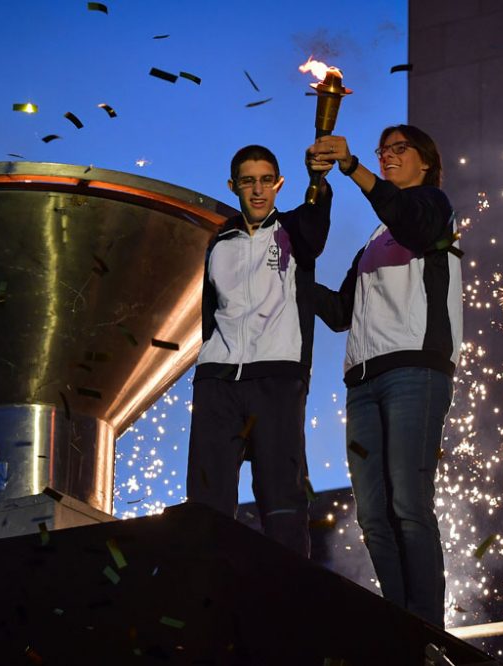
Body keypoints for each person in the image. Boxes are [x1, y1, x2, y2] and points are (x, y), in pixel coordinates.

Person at [308, 125, 462, 627]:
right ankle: (399, 623)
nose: (389, 156)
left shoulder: (435, 209)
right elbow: (337, 312)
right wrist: (290, 270)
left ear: (425, 161)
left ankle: (426, 629)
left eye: (400, 150)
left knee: (408, 504)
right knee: (374, 516)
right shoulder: (374, 241)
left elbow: (412, 223)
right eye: (384, 151)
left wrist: (354, 169)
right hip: (363, 383)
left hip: (414, 371)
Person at [186, 144, 332, 557]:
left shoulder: (295, 233)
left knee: (282, 499)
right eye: (248, 181)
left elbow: (316, 224)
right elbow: (211, 311)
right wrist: (210, 361)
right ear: (233, 186)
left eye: (266, 180)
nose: (257, 190)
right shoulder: (219, 243)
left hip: (277, 377)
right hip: (218, 378)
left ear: (279, 184)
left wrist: (318, 179)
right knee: (206, 500)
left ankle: (287, 602)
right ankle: (202, 589)